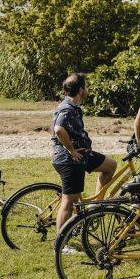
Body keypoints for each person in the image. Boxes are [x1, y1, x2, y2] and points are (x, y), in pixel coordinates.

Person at [50, 73, 116, 233]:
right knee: (69, 201)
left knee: (111, 165)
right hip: (70, 160)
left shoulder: (73, 106)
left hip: (83, 155)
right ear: (80, 90)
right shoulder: (67, 109)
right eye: (86, 87)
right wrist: (71, 150)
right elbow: (58, 129)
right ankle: (61, 243)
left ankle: (95, 206)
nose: (87, 89)